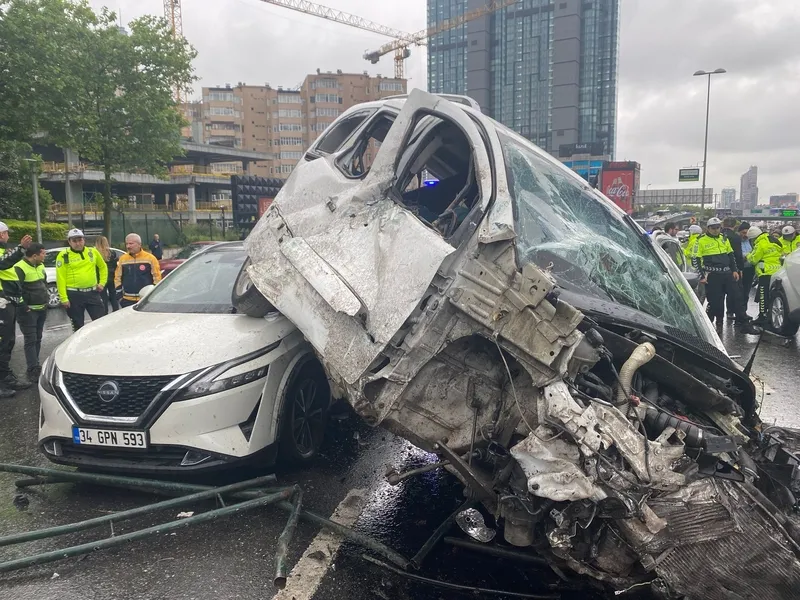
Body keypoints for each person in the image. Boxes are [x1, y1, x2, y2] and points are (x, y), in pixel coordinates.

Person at [695, 217, 760, 333]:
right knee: (715, 302)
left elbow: (731, 255)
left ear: (720, 227)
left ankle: (744, 324)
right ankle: (707, 326)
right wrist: (701, 276)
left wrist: (735, 270)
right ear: (708, 228)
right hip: (713, 274)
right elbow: (696, 259)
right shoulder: (700, 240)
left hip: (727, 273)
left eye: (717, 227)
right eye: (713, 228)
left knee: (738, 298)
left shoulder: (724, 239)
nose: (715, 230)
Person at [0, 222, 33, 396]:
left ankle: (5, 377)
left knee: (8, 341)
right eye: (6, 233)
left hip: (7, 302)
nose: (7, 236)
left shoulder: (4, 251)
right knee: (1, 342)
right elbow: (3, 264)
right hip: (0, 303)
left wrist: (20, 302)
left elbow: (10, 277)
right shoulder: (4, 254)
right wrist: (21, 248)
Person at [56, 228, 108, 331]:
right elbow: (60, 277)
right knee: (78, 326)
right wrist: (64, 298)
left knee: (101, 322)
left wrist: (102, 283)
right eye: (74, 241)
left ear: (84, 240)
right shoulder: (63, 255)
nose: (78, 243)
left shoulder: (92, 252)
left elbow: (103, 267)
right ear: (69, 242)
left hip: (92, 292)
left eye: (80, 240)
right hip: (74, 294)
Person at [14, 243, 48, 380]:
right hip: (28, 312)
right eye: (43, 253)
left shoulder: (40, 265)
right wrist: (24, 307)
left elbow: (43, 284)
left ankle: (36, 365)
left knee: (38, 338)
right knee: (31, 339)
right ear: (34, 256)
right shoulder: (19, 268)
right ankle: (32, 369)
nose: (45, 255)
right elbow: (16, 290)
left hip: (41, 308)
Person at [746, 226, 783, 326]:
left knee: (763, 296)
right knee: (773, 296)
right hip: (778, 272)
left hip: (765, 273)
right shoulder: (775, 240)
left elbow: (753, 260)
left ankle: (762, 317)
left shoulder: (760, 244)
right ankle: (771, 316)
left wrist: (747, 255)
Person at [116, 233, 162, 307]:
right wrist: (120, 297)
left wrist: (153, 296)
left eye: (131, 244)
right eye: (127, 244)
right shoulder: (123, 259)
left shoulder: (150, 258)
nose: (128, 246)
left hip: (145, 299)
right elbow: (117, 277)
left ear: (139, 244)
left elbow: (157, 278)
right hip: (127, 300)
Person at [721, 217, 747, 320]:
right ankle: (734, 313)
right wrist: (739, 269)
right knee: (735, 292)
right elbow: (737, 254)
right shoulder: (735, 237)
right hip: (732, 269)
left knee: (720, 293)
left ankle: (718, 317)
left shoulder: (719, 236)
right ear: (735, 226)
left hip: (719, 267)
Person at [95, 236, 120, 313]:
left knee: (103, 297)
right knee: (113, 295)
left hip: (101, 278)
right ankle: (116, 311)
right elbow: (116, 265)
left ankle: (104, 312)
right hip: (111, 276)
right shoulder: (112, 253)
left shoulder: (96, 253)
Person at [686, 224, 706, 304]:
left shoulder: (694, 241)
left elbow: (692, 254)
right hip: (698, 269)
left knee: (697, 292)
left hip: (694, 269)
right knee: (701, 292)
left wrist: (682, 251)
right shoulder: (698, 240)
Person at [738, 222, 756, 305]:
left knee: (746, 291)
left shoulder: (752, 241)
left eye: (747, 233)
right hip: (739, 270)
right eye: (743, 233)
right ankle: (731, 312)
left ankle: (743, 312)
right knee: (736, 292)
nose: (745, 235)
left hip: (750, 269)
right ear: (739, 232)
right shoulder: (736, 241)